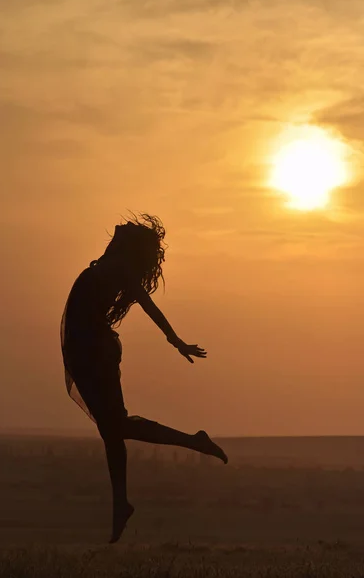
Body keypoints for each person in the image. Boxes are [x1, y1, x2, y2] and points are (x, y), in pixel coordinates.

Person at [60, 214, 227, 543]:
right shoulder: (107, 267)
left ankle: (193, 441)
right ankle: (121, 504)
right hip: (88, 350)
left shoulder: (118, 269)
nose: (115, 235)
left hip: (95, 352)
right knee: (112, 430)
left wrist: (175, 340)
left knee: (116, 426)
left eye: (122, 235)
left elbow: (150, 307)